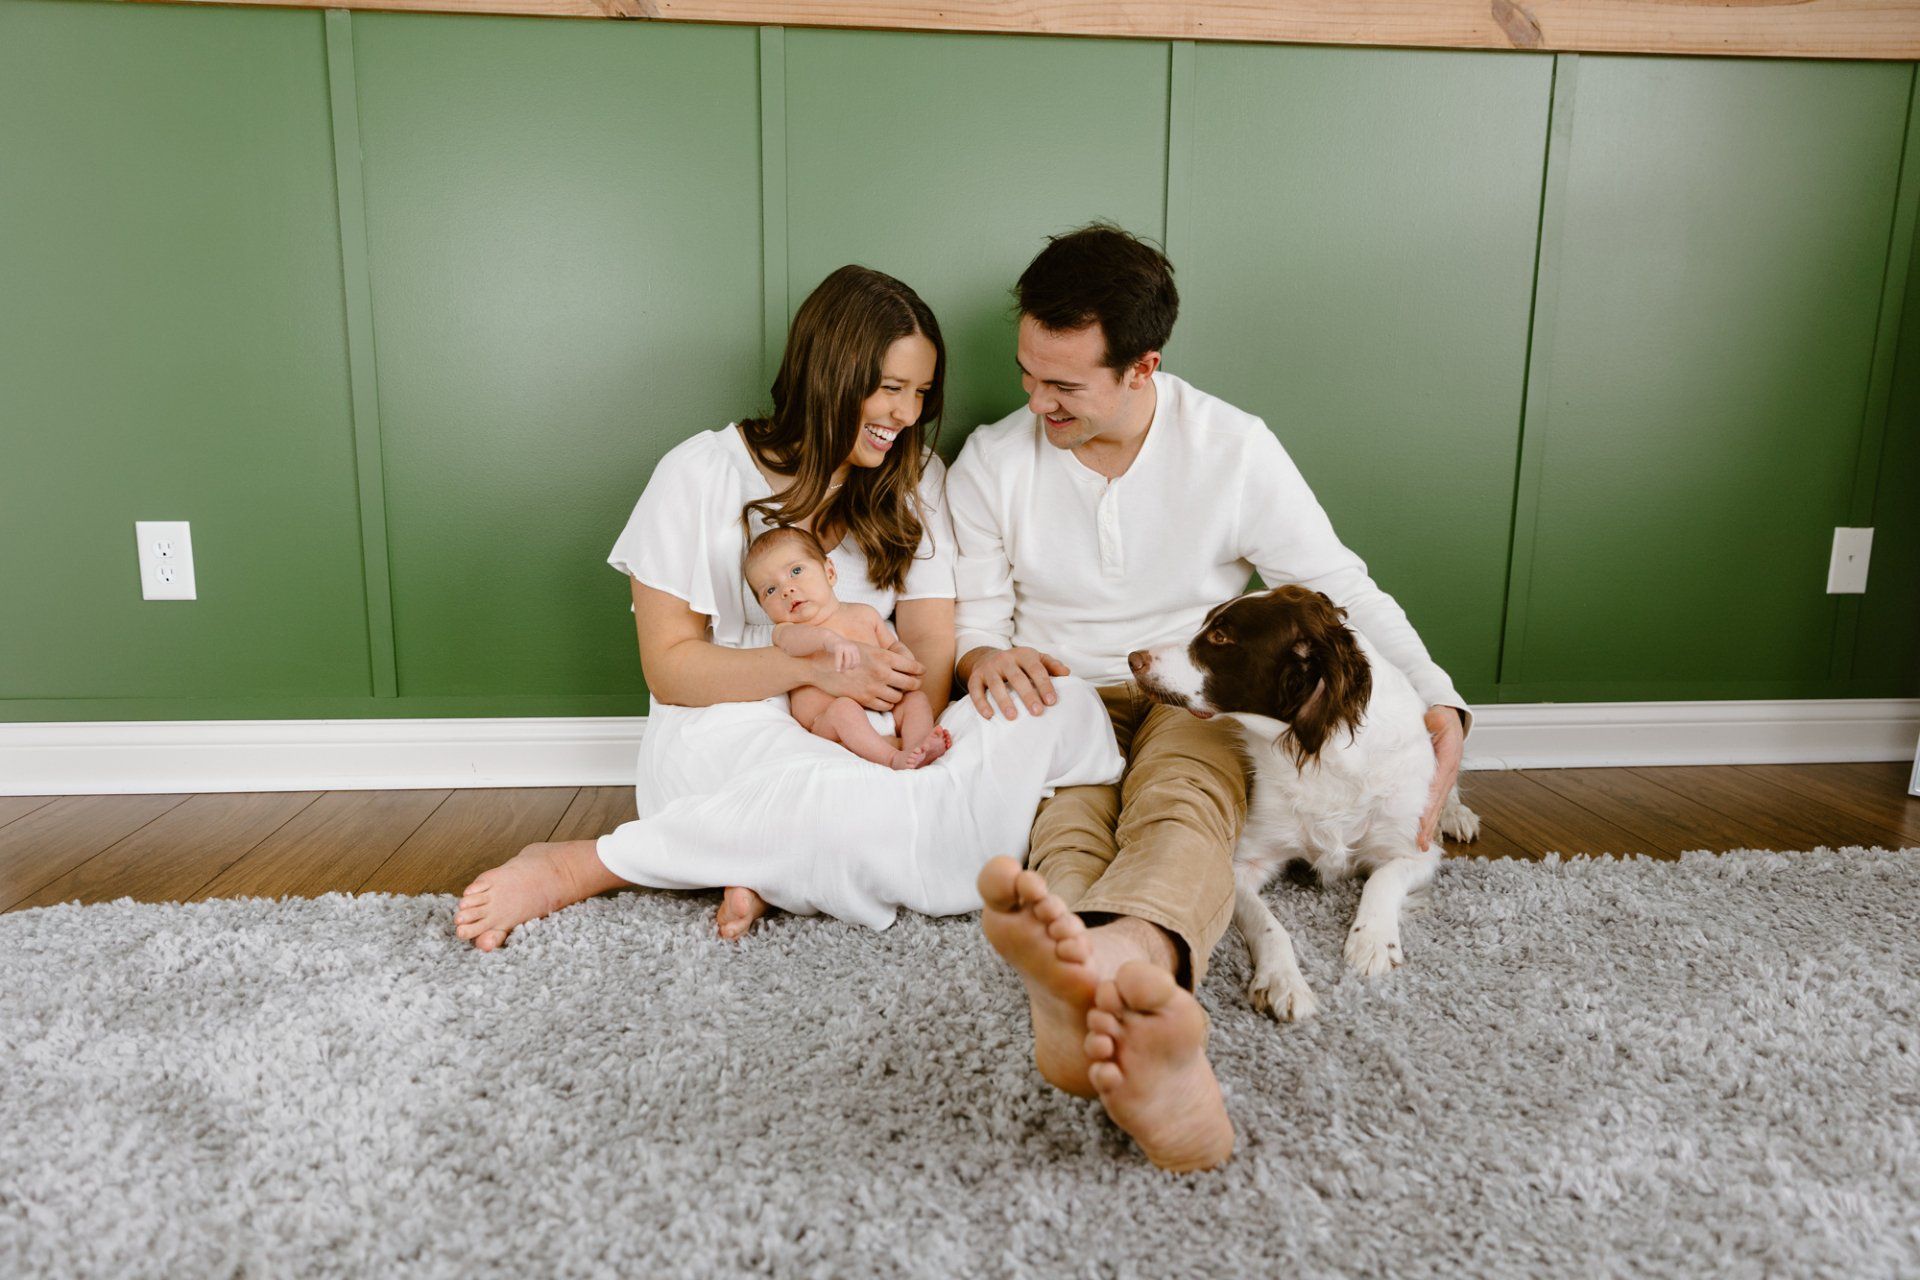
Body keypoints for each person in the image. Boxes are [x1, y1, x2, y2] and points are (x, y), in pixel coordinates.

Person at [948, 224, 1472, 1173]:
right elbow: (976, 622)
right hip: (1063, 694)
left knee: (1185, 806)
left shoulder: (1232, 447)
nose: (1037, 400)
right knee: (1070, 819)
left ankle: (1129, 960)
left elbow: (1337, 586)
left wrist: (1439, 700)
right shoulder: (991, 461)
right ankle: (1093, 983)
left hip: (1192, 698)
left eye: (1064, 385)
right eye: (1028, 374)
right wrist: (983, 656)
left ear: (1142, 366)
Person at [453, 264, 1121, 949]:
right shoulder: (700, 474)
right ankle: (583, 864)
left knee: (1063, 707)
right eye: (890, 389)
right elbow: (673, 670)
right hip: (732, 727)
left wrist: (902, 733)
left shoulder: (914, 478)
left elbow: (926, 640)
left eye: (920, 393)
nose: (906, 414)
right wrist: (816, 676)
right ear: (829, 371)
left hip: (877, 722)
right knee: (849, 804)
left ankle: (764, 861)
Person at [745, 525, 952, 770]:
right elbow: (795, 644)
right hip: (829, 723)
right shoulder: (785, 631)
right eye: (770, 590)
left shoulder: (865, 614)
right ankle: (891, 758)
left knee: (916, 699)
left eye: (796, 571)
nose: (786, 590)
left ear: (829, 572)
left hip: (884, 708)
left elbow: (892, 645)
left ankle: (917, 747)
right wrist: (830, 641)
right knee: (844, 709)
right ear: (764, 608)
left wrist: (903, 657)